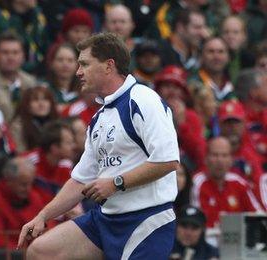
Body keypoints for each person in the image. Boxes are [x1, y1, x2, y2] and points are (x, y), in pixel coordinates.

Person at [18, 33, 180, 259]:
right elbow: (80, 180)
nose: (78, 72)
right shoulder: (99, 117)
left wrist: (116, 183)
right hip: (106, 219)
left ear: (108, 66)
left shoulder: (143, 100)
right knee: (41, 252)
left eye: (84, 64)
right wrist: (43, 216)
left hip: (146, 220)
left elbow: (168, 161)